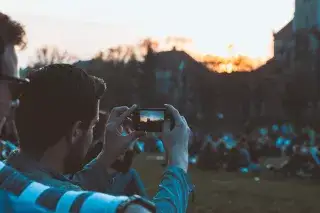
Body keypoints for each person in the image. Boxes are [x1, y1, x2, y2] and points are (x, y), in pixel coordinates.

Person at [0, 12, 192, 212]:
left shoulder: (12, 175)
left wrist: (106, 156)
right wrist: (178, 160)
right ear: (75, 132)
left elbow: (58, 191)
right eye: (92, 126)